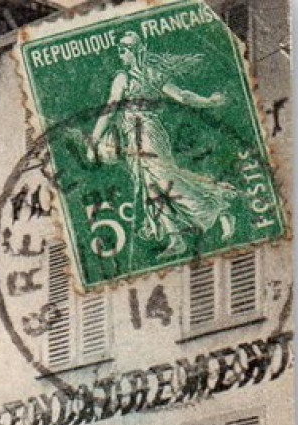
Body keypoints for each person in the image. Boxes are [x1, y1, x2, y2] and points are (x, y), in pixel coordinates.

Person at [85, 32, 237, 257]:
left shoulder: (149, 74)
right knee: (150, 186)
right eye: (119, 49)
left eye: (126, 48)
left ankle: (219, 209)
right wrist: (94, 140)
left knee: (167, 181)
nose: (122, 53)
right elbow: (109, 110)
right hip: (133, 137)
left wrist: (209, 101)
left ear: (137, 50)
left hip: (148, 133)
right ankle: (175, 237)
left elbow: (182, 96)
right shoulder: (122, 78)